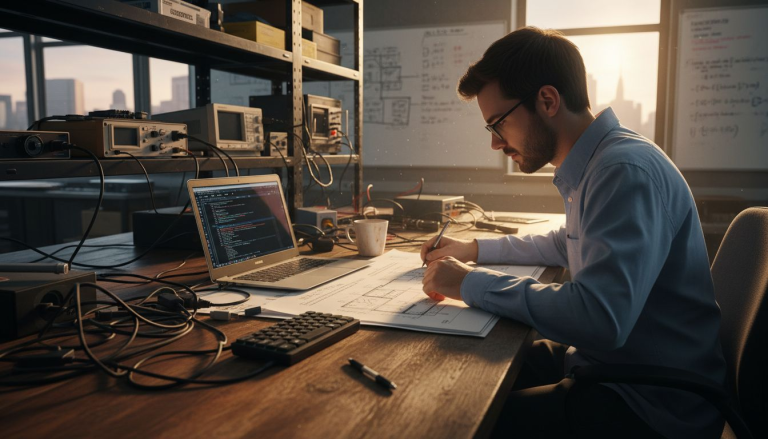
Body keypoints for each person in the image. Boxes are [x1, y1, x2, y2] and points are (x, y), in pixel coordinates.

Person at [420, 27, 726, 439]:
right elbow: (566, 242)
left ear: (547, 100)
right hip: (615, 368)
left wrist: (470, 282)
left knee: (458, 422)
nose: (495, 144)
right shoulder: (600, 162)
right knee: (464, 371)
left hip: (651, 404)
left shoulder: (622, 171)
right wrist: (474, 248)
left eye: (498, 123)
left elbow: (600, 319)